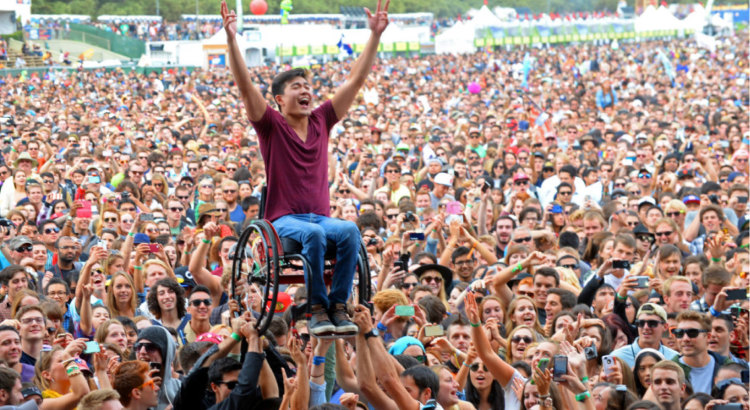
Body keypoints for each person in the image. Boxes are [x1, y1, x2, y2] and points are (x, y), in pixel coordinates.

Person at [222, 0, 390, 336]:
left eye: (308, 87)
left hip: (322, 218)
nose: (306, 92)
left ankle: (338, 306)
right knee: (312, 234)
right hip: (285, 221)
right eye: (297, 87)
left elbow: (355, 82)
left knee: (351, 231)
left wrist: (374, 36)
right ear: (279, 100)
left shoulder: (322, 120)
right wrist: (231, 39)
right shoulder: (270, 125)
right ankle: (316, 308)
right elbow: (245, 88)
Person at [611, 303, 679, 368]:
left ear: (665, 327)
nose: (646, 327)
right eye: (641, 323)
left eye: (652, 323)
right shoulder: (618, 357)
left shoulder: (675, 358)